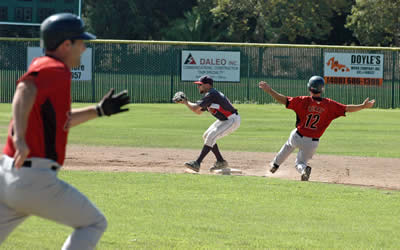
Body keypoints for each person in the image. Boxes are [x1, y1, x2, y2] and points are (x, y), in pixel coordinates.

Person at [0, 13, 130, 249]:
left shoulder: (46, 67)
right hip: (33, 179)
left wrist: (99, 110)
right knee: (93, 223)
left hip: (8, 177)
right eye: (80, 42)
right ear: (65, 45)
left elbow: (63, 121)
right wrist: (19, 138)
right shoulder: (55, 68)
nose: (83, 48)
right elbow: (24, 88)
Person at [259, 76, 375, 181]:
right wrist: (363, 106)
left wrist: (269, 90)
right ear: (322, 89)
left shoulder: (303, 100)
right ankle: (304, 169)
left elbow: (284, 100)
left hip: (298, 135)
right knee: (300, 163)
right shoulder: (329, 105)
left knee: (289, 145)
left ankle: (275, 165)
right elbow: (347, 108)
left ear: (309, 88)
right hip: (313, 142)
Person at [174, 75, 241, 173]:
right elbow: (198, 111)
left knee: (210, 137)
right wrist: (185, 103)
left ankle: (197, 163)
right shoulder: (210, 96)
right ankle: (221, 161)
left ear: (208, 85)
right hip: (225, 120)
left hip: (231, 120)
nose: (198, 87)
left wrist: (186, 101)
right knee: (206, 136)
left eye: (200, 85)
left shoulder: (211, 94)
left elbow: (195, 108)